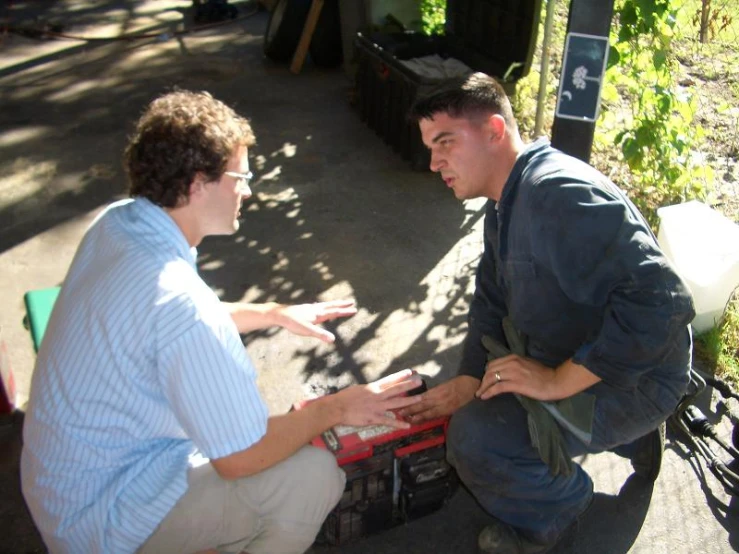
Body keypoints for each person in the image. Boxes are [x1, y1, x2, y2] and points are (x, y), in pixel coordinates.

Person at [21, 90, 422, 554]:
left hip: (63, 485)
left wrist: (270, 314)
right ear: (197, 183)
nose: (248, 189)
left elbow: (160, 324)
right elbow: (240, 457)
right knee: (312, 477)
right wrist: (335, 407)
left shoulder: (120, 223)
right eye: (241, 175)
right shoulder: (182, 306)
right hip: (104, 521)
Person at [400, 73, 695, 554]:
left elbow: (663, 303)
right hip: (592, 354)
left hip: (638, 380)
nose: (434, 162)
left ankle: (558, 511)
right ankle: (624, 436)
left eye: (445, 142)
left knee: (476, 440)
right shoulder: (505, 199)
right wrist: (470, 377)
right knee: (481, 396)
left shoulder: (558, 195)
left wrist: (557, 381)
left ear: (495, 130)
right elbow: (492, 301)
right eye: (430, 147)